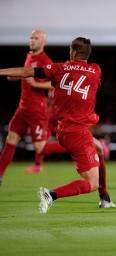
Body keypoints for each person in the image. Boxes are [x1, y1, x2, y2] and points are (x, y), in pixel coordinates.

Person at [0, 37, 114, 213]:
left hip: (64, 129)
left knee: (98, 148)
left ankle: (105, 197)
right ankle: (50, 194)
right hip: (78, 132)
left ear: (73, 52)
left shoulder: (58, 68)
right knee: (91, 183)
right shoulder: (96, 70)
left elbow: (26, 72)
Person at [0, 29, 53, 183]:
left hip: (37, 110)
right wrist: (16, 77)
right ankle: (0, 175)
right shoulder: (29, 56)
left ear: (43, 41)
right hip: (22, 109)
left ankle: (81, 146)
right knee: (11, 139)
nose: (32, 40)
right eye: (31, 37)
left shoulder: (45, 61)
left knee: (40, 148)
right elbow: (25, 73)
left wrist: (36, 83)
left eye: (36, 38)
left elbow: (54, 83)